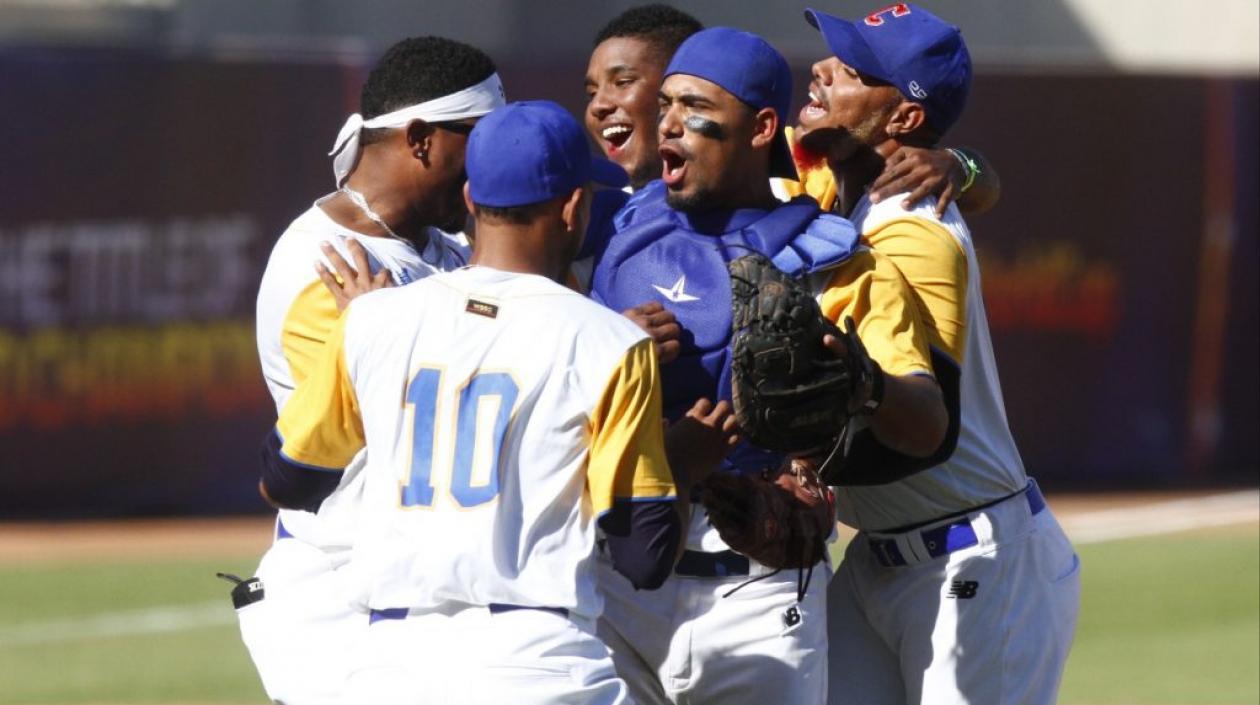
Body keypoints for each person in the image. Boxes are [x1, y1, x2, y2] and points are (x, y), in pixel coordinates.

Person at [259, 100, 738, 705]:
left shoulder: (369, 322)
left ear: (470, 201)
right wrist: (683, 468)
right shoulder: (612, 342)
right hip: (537, 661)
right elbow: (642, 558)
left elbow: (288, 482)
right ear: (573, 207)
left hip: (387, 667)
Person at [586, 27, 950, 705]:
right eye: (663, 103)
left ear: (759, 128)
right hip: (615, 585)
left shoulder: (834, 259)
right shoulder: (610, 224)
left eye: (694, 108)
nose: (667, 124)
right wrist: (596, 345)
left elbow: (927, 424)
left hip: (756, 590)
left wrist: (861, 381)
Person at [791, 6, 1081, 703]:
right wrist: (967, 162)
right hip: (877, 557)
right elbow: (981, 182)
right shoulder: (835, 182)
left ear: (903, 121)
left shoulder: (912, 225)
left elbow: (926, 432)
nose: (821, 70)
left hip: (973, 559)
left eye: (852, 69)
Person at [239, 36, 505, 704]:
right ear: (422, 140)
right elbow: (404, 423)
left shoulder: (445, 250)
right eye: (482, 137)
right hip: (344, 602)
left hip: (420, 592)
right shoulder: (321, 264)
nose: (496, 159)